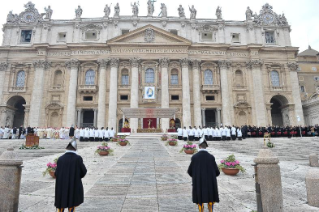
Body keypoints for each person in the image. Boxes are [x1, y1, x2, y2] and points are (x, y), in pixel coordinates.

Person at [187, 137, 220, 212]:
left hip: (199, 181)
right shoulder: (211, 157)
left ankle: (200, 207)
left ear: (199, 146)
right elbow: (217, 172)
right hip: (209, 182)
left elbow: (190, 171)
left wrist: (196, 176)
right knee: (210, 194)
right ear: (206, 146)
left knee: (199, 195)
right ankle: (210, 207)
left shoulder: (194, 157)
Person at [54, 138, 87, 211]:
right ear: (75, 149)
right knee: (72, 201)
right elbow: (83, 171)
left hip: (61, 185)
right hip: (73, 183)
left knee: (61, 200)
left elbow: (56, 173)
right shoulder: (78, 158)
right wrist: (76, 177)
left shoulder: (60, 158)